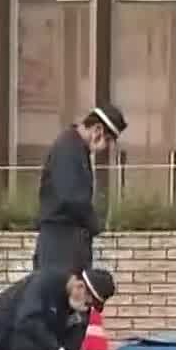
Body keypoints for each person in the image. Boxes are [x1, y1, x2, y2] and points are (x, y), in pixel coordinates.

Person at [35, 104, 125, 273]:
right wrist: (94, 223)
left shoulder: (75, 148)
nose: (105, 147)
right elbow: (71, 197)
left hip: (66, 244)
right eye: (107, 140)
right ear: (97, 130)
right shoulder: (68, 149)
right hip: (60, 246)